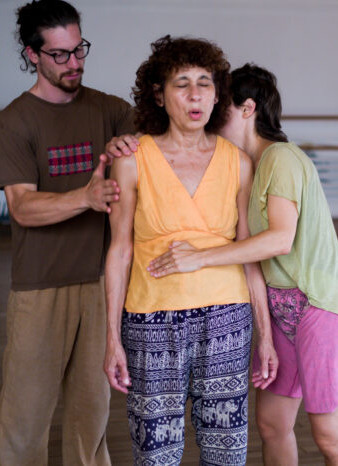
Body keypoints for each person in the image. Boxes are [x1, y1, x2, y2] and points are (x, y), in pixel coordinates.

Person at [147, 64, 338, 465]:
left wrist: (199, 258)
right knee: (271, 424)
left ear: (247, 109)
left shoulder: (281, 157)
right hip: (283, 313)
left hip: (323, 309)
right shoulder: (247, 165)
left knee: (330, 435)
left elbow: (280, 238)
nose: (211, 114)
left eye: (221, 107)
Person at [103, 37, 277, 466]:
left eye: (205, 82)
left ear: (218, 94)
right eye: (182, 83)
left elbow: (248, 252)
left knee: (226, 452)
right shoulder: (132, 158)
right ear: (159, 96)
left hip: (227, 321)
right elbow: (119, 251)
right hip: (150, 322)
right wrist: (111, 337)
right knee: (155, 453)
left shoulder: (238, 162)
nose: (195, 94)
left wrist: (266, 335)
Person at [0, 0, 136, 465]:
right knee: (25, 416)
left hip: (101, 284)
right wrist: (86, 198)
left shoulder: (112, 110)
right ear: (32, 54)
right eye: (60, 55)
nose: (74, 63)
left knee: (91, 415)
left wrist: (128, 147)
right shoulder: (15, 121)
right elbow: (23, 207)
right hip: (40, 286)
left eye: (79, 50)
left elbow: (152, 157)